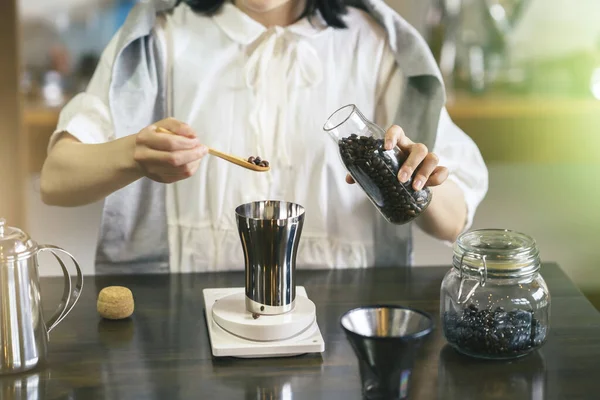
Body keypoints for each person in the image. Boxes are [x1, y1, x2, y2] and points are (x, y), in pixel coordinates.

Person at [40, 0, 488, 274]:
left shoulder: (375, 43)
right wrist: (134, 154)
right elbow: (57, 179)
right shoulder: (157, 37)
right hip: (190, 323)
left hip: (344, 325)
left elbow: (450, 221)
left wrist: (416, 180)